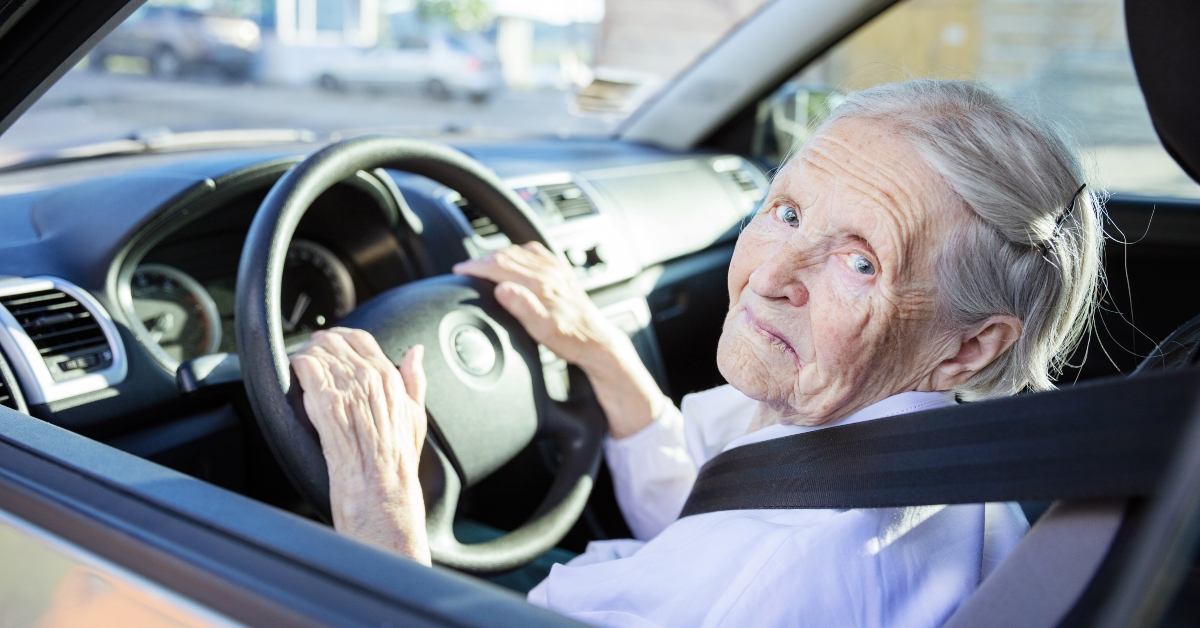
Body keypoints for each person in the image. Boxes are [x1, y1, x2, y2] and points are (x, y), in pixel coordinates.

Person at [289, 80, 1103, 627]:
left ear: (970, 349)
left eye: (862, 262)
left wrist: (382, 525)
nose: (771, 277)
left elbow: (747, 566)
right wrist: (606, 356)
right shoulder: (930, 462)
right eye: (786, 211)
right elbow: (705, 523)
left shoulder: (782, 578)